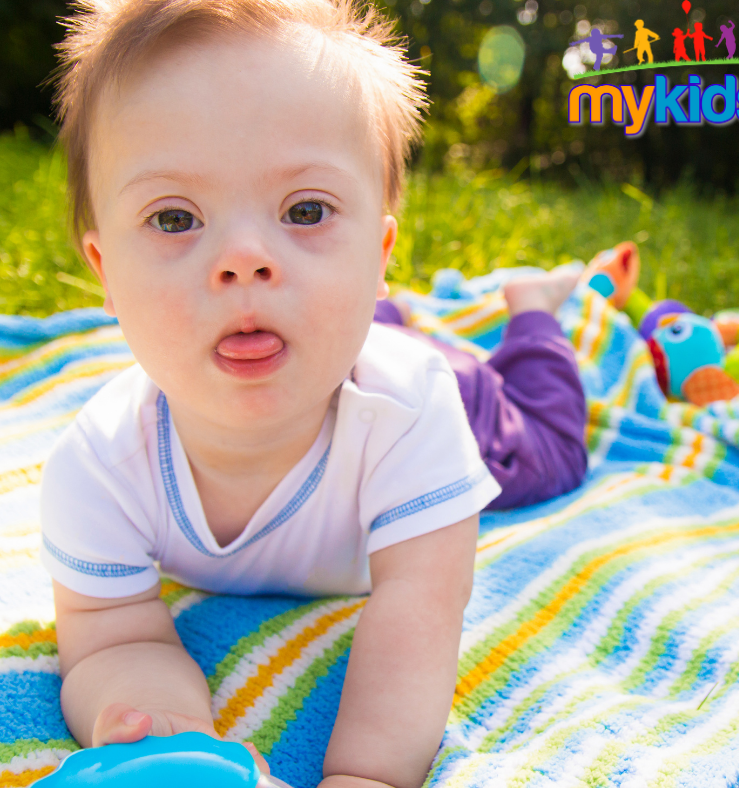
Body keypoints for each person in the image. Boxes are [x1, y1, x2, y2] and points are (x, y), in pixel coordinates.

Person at [39, 3, 589, 788]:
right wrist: (164, 734)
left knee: (553, 446)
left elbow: (419, 620)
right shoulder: (98, 467)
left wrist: (363, 776)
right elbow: (109, 636)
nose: (243, 259)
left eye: (305, 211)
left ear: (379, 251)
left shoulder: (411, 427)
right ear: (105, 274)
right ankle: (363, 315)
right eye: (173, 218)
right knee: (311, 317)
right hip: (333, 335)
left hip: (453, 400)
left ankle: (533, 314)